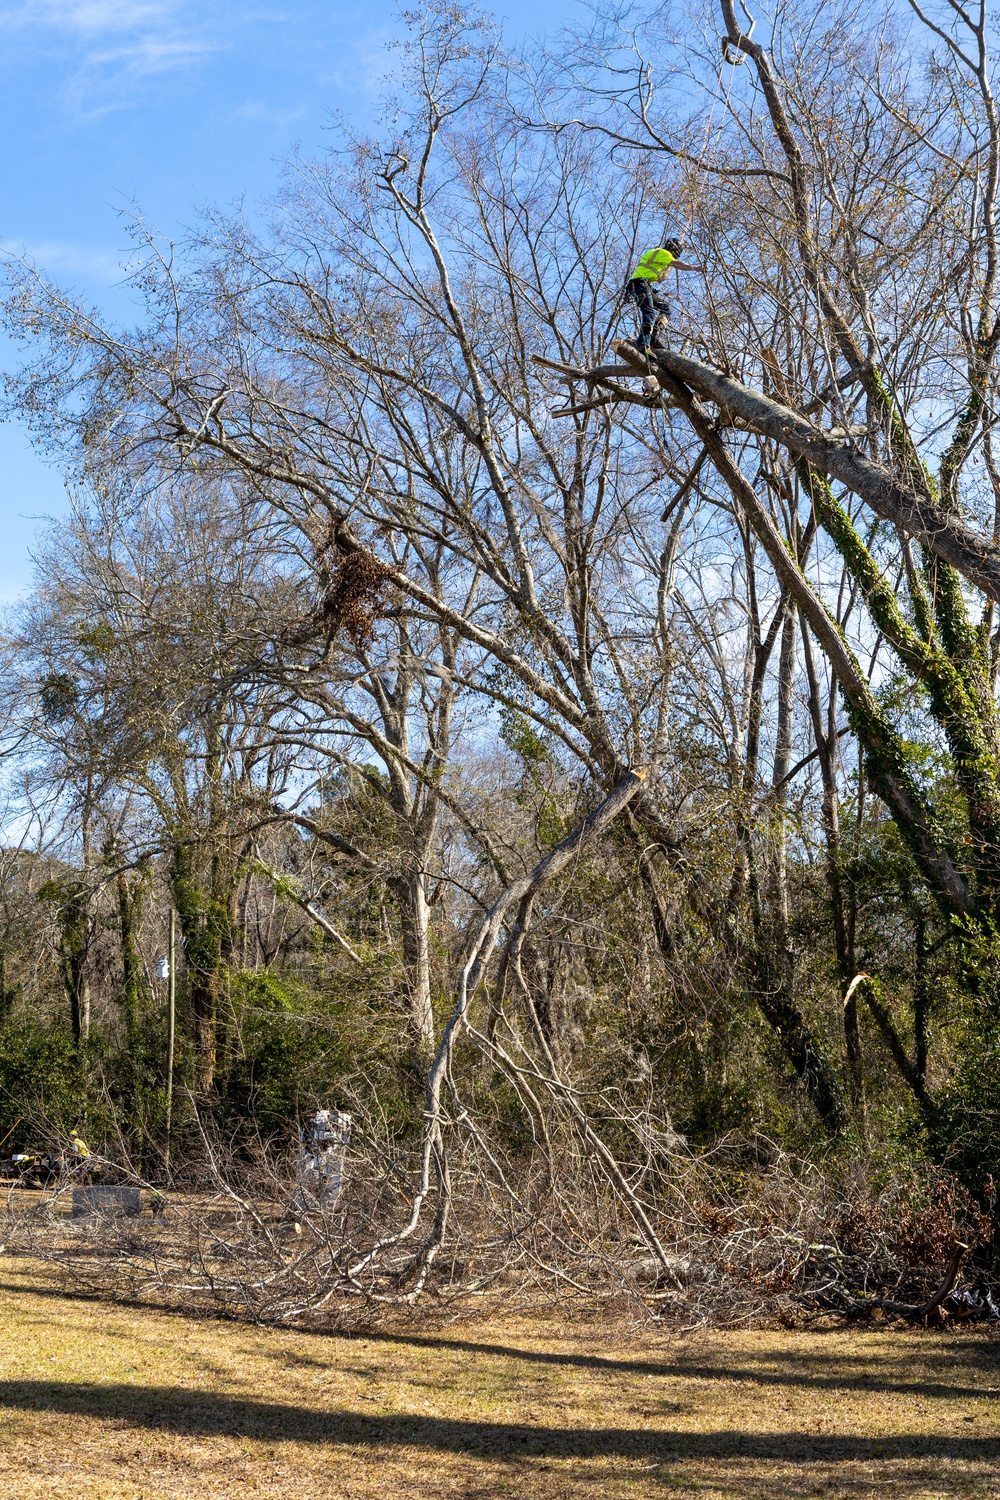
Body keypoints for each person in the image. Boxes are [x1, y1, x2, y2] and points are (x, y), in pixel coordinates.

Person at [625, 237, 704, 355]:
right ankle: (643, 344)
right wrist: (696, 268)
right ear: (673, 248)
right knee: (649, 313)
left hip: (642, 285)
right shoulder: (664, 253)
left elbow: (661, 278)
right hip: (640, 284)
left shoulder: (659, 254)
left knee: (665, 308)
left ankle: (653, 337)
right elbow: (680, 265)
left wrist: (669, 265)